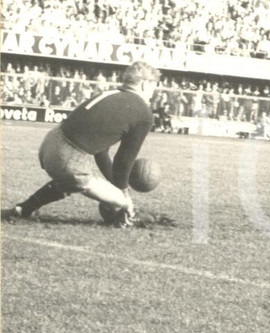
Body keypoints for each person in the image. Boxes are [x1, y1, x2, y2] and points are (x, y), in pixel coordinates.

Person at [2, 61, 160, 228]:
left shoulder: (110, 94)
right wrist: (124, 196)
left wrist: (115, 187)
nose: (153, 93)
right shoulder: (144, 113)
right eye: (153, 86)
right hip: (67, 156)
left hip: (50, 144)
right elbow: (124, 160)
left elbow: (101, 151)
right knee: (117, 200)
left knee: (72, 178)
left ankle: (23, 209)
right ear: (144, 84)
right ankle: (127, 218)